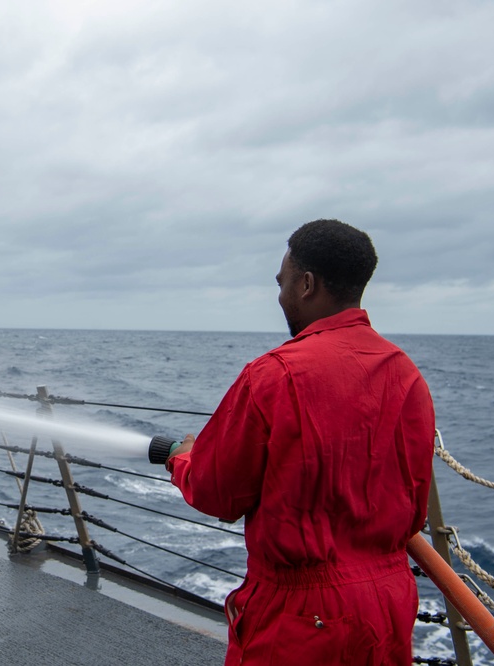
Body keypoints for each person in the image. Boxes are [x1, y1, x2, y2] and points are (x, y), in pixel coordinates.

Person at [166, 219, 435, 665]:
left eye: (283, 282)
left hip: (302, 617)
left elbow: (218, 493)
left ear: (307, 284)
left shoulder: (273, 374)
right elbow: (414, 505)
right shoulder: (406, 374)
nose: (280, 295)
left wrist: (182, 459)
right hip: (387, 604)